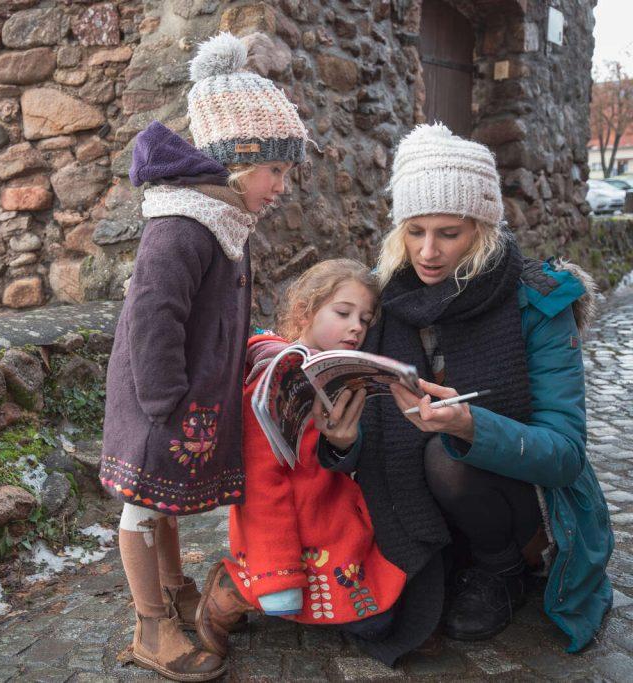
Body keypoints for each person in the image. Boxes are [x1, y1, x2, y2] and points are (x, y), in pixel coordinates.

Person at [317, 123, 612, 663]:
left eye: (448, 233)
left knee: (445, 456)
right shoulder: (387, 301)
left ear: (482, 226)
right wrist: (340, 440)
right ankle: (443, 558)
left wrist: (469, 427)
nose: (427, 252)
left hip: (523, 500)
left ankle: (503, 570)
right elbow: (366, 445)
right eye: (415, 231)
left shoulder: (539, 304)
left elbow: (566, 455)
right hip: (411, 498)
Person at [98, 32, 310, 681]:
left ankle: (177, 590)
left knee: (157, 502)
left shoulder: (221, 222)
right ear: (238, 160)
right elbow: (155, 316)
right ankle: (149, 625)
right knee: (141, 506)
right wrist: (164, 400)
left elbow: (216, 322)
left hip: (181, 398)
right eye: (275, 170)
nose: (280, 186)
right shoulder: (183, 224)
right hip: (157, 400)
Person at [194, 259, 407, 660]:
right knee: (297, 602)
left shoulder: (340, 372)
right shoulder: (274, 376)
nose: (356, 327)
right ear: (306, 311)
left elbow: (345, 456)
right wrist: (276, 571)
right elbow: (260, 483)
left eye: (365, 318)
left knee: (379, 623)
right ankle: (235, 585)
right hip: (286, 524)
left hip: (334, 515)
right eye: (342, 313)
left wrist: (344, 445)